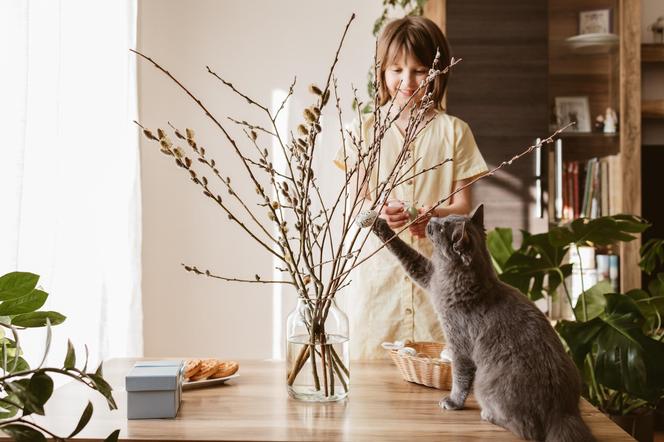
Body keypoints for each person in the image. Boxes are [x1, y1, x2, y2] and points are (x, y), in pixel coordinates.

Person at [333, 16, 488, 359]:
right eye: (396, 69)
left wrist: (434, 217)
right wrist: (380, 210)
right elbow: (355, 202)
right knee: (372, 381)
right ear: (382, 72)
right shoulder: (362, 130)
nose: (407, 81)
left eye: (419, 70)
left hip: (439, 279)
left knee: (440, 372)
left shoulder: (455, 131)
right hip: (379, 277)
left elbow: (464, 206)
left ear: (438, 72)